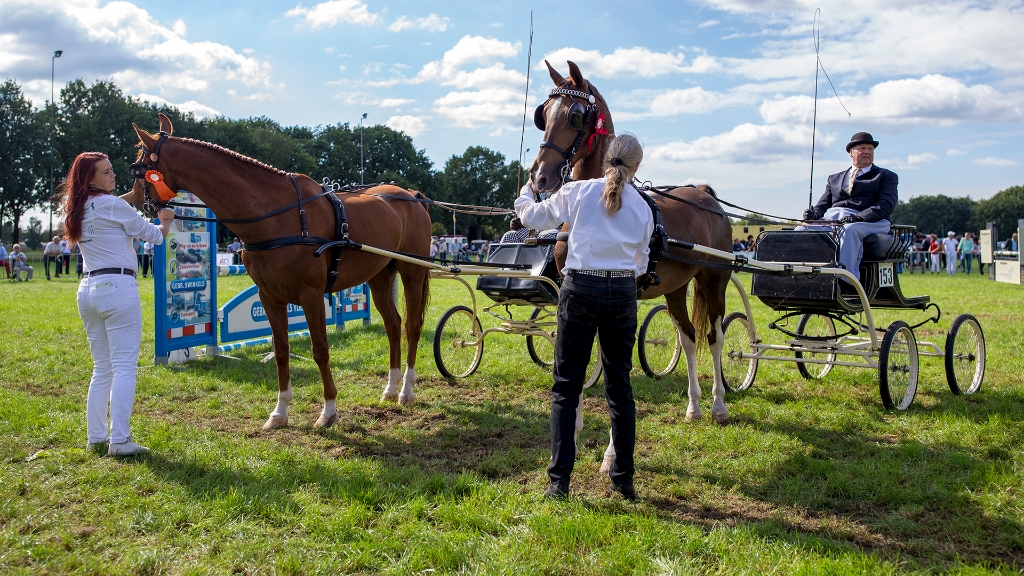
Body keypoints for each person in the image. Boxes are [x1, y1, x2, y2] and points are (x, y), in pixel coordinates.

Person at [515, 133, 653, 501]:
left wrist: (528, 190)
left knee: (566, 388)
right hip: (622, 293)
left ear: (608, 157)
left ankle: (559, 483)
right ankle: (623, 480)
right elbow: (641, 263)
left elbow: (533, 217)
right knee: (619, 388)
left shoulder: (578, 192)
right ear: (637, 166)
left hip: (580, 290)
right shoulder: (643, 207)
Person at [61, 152, 175, 457]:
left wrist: (134, 196)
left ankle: (96, 436)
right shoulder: (111, 206)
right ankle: (120, 439)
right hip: (118, 288)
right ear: (91, 179)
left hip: (88, 289)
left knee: (103, 368)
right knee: (125, 366)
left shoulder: (75, 207)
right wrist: (164, 222)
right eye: (107, 172)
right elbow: (153, 236)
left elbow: (117, 204)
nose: (113, 175)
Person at [802, 132, 898, 290]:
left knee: (849, 230)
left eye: (870, 148)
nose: (867, 151)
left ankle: (846, 282)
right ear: (851, 152)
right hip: (837, 219)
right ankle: (802, 276)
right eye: (862, 148)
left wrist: (859, 217)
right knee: (802, 229)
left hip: (872, 221)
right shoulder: (834, 178)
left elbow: (886, 205)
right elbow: (822, 205)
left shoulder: (885, 176)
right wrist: (814, 215)